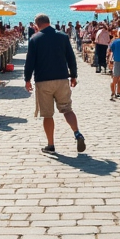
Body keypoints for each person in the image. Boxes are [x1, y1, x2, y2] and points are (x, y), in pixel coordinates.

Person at [24, 14, 85, 153]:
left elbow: (30, 62)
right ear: (48, 22)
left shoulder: (35, 39)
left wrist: (27, 79)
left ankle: (51, 145)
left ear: (37, 24)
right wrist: (73, 75)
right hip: (62, 79)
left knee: (47, 114)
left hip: (43, 81)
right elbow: (71, 57)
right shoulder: (63, 36)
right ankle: (77, 133)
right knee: (67, 109)